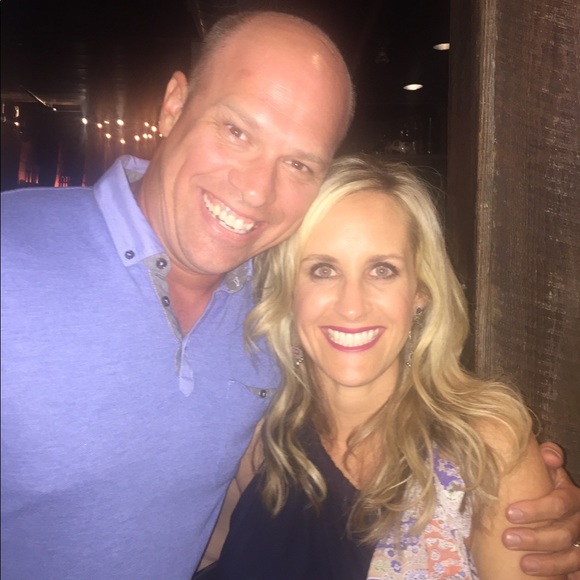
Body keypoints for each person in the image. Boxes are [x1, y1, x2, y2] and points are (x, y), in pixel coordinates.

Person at [1, 10, 578, 580]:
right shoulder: (13, 254)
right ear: (174, 104)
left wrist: (527, 490)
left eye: (299, 162)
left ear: (422, 291)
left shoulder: (266, 305)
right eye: (237, 131)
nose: (256, 189)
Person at [199, 156, 571, 579]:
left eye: (382, 270)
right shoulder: (264, 440)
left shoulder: (485, 451)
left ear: (420, 292)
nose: (352, 306)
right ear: (289, 292)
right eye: (323, 270)